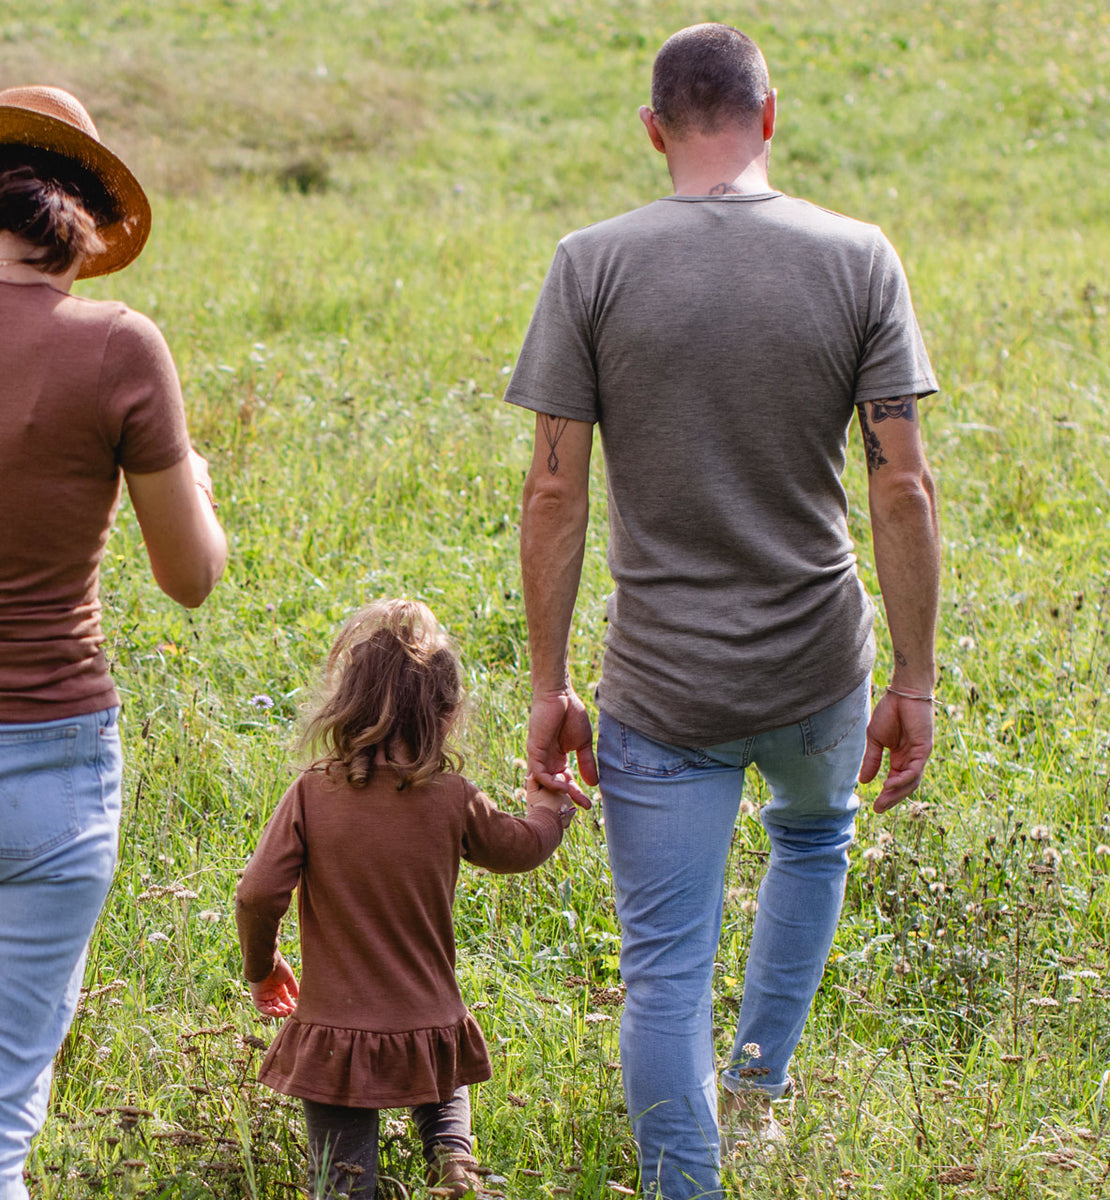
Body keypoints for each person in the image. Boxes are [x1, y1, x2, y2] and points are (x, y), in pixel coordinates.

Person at [506, 23, 940, 1199]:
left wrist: (548, 687)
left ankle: (685, 1183)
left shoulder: (591, 263)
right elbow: (901, 484)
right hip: (818, 670)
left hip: (661, 686)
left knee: (663, 971)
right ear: (771, 114)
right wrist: (914, 679)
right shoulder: (859, 256)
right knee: (812, 838)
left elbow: (554, 491)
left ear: (654, 130)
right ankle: (756, 1087)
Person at [0, 86, 227, 1200]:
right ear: (84, 227)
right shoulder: (120, 346)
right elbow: (189, 578)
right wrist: (199, 488)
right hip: (53, 758)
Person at [235, 599, 575, 1199]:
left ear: (347, 703)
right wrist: (549, 810)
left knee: (342, 1179)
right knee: (444, 1109)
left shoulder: (312, 793)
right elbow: (520, 849)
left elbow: (258, 893)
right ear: (444, 712)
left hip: (338, 1030)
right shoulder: (452, 796)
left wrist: (263, 967)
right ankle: (454, 1168)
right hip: (430, 1020)